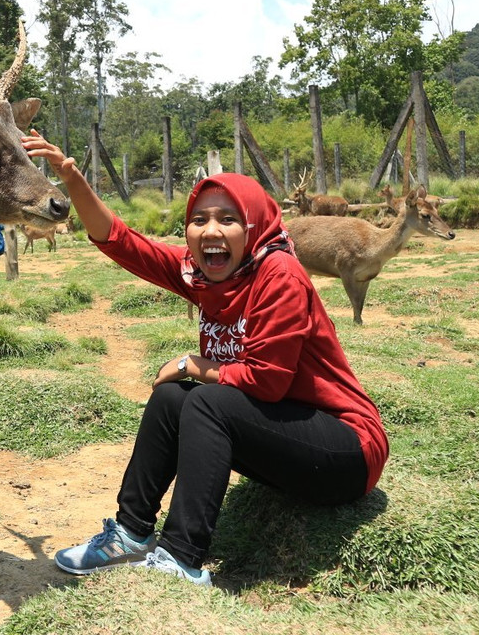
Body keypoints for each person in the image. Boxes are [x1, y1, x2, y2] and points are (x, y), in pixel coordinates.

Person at [21, 131, 389, 587]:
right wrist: (71, 176)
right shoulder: (204, 274)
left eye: (228, 219)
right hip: (289, 439)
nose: (211, 231)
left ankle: (181, 559)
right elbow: (121, 241)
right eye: (199, 219)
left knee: (203, 399)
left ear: (253, 226)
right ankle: (132, 535)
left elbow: (267, 383)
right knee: (172, 400)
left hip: (347, 451)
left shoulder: (278, 275)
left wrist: (191, 364)